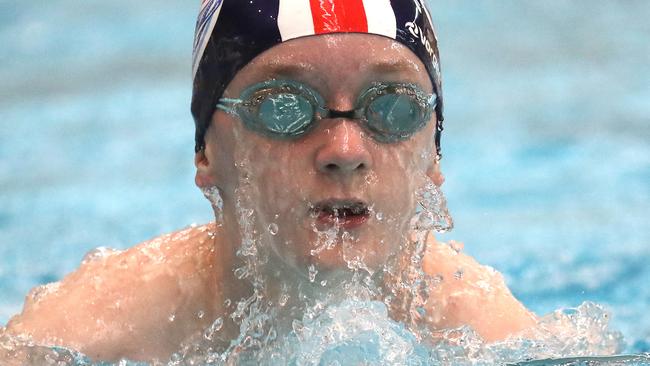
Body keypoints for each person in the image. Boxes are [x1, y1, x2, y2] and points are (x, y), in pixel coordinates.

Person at [3, 0, 536, 363]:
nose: (344, 152)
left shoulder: (490, 339)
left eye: (393, 107)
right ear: (206, 152)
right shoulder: (79, 339)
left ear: (433, 156)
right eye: (282, 107)